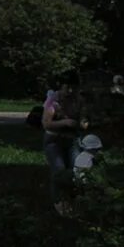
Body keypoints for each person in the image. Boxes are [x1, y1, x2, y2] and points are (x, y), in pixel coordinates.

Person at [41, 71, 87, 215]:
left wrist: (83, 123)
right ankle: (59, 202)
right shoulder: (54, 100)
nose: (70, 91)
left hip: (72, 139)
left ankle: (74, 202)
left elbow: (84, 118)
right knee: (59, 170)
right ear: (62, 86)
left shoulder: (79, 100)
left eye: (74, 87)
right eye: (67, 87)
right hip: (54, 139)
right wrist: (65, 122)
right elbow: (46, 124)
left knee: (77, 170)